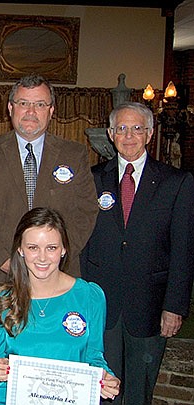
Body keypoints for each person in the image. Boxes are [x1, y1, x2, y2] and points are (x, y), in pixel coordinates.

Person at [0, 73, 98, 345]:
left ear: (51, 110)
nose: (31, 111)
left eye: (39, 104)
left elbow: (85, 212)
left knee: (53, 359)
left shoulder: (74, 154)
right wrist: (7, 261)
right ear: (11, 108)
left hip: (58, 280)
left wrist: (53, 258)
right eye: (23, 103)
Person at [81, 101, 194, 404]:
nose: (128, 135)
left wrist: (175, 307)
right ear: (110, 133)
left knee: (138, 394)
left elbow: (184, 250)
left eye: (136, 128)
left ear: (150, 134)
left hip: (150, 307)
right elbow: (81, 242)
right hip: (101, 305)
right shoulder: (91, 180)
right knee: (101, 389)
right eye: (121, 129)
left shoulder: (177, 182)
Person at [0, 207, 120, 405]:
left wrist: (105, 378)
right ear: (20, 250)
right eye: (33, 248)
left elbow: (94, 356)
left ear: (64, 249)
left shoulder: (90, 296)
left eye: (51, 248)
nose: (42, 258)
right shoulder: (1, 300)